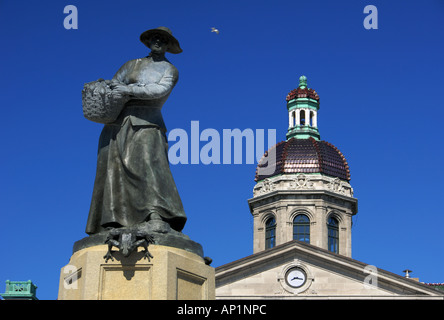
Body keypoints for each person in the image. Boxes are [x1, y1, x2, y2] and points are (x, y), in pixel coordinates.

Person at [85, 27, 187, 235]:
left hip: (147, 122)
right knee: (113, 171)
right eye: (155, 38)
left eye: (163, 39)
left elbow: (159, 90)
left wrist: (129, 90)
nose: (158, 41)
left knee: (149, 168)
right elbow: (115, 84)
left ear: (168, 45)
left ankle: (155, 214)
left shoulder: (170, 70)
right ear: (149, 41)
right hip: (117, 123)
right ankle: (112, 219)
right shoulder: (131, 65)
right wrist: (108, 87)